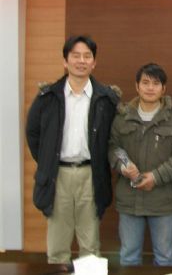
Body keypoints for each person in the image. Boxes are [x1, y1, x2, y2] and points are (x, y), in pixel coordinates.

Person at [25, 35, 119, 264]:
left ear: (94, 62)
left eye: (87, 56)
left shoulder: (106, 98)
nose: (81, 61)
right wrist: (48, 160)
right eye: (75, 56)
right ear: (65, 61)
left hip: (91, 174)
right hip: (58, 175)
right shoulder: (47, 97)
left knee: (90, 245)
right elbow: (33, 133)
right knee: (58, 245)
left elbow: (115, 138)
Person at [108, 63, 172, 266]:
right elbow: (112, 147)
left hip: (162, 199)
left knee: (165, 257)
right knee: (129, 257)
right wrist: (123, 166)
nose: (150, 88)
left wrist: (156, 176)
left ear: (163, 89)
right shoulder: (122, 118)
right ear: (136, 86)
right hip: (129, 199)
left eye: (156, 83)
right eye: (145, 82)